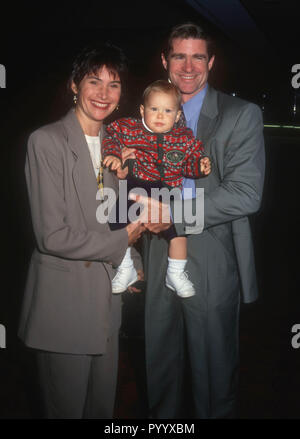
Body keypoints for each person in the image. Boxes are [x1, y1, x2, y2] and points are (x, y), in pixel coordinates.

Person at [142, 23, 265, 418]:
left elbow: (246, 194)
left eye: (198, 56)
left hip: (211, 254)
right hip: (159, 252)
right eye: (179, 55)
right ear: (165, 61)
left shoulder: (241, 114)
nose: (188, 66)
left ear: (211, 62)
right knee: (159, 372)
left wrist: (171, 213)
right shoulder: (148, 115)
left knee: (212, 379)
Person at [18, 43, 145, 419]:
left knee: (101, 408)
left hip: (107, 302)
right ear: (74, 84)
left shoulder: (118, 145)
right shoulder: (46, 141)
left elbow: (117, 217)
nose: (103, 94)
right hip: (65, 305)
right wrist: (123, 242)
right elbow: (52, 235)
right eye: (94, 81)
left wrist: (133, 259)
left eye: (114, 84)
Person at [102, 80, 211, 297]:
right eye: (154, 109)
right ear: (142, 110)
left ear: (178, 115)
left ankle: (176, 273)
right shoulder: (130, 128)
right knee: (117, 222)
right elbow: (111, 135)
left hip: (169, 189)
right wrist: (113, 154)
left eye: (167, 110)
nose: (160, 116)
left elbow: (188, 164)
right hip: (137, 185)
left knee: (179, 232)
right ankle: (126, 269)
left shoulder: (184, 138)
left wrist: (199, 166)